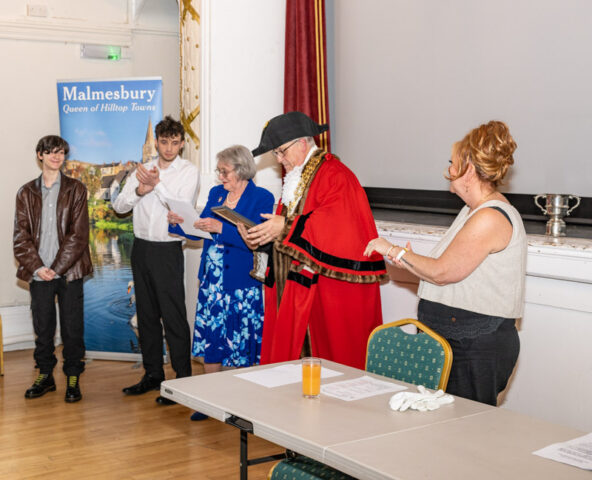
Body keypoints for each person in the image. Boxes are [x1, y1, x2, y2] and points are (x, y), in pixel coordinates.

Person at [364, 120, 526, 406]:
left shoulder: (490, 216)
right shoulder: (472, 211)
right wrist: (408, 261)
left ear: (468, 170)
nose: (448, 170)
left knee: (465, 428)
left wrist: (394, 250)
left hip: (474, 346)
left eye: (452, 163)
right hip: (456, 340)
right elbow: (449, 267)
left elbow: (442, 272)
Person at [243, 111, 387, 370]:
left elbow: (338, 226)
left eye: (281, 151)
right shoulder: (298, 176)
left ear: (302, 143)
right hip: (296, 287)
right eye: (275, 154)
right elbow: (289, 232)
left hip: (327, 292)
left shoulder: (335, 175)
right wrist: (261, 238)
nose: (279, 159)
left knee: (333, 367)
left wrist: (285, 226)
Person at [169, 145, 274, 420]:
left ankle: (243, 404)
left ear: (241, 169)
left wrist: (220, 228)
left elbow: (257, 240)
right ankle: (209, 401)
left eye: (224, 172)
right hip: (212, 283)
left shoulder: (262, 198)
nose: (220, 177)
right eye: (219, 171)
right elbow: (200, 230)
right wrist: (179, 223)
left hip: (242, 284)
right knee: (212, 341)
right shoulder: (217, 193)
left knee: (241, 343)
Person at [112, 116, 199, 405]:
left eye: (175, 142)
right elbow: (119, 206)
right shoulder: (142, 170)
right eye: (164, 142)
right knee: (147, 315)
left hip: (168, 250)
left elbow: (180, 206)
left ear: (182, 143)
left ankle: (183, 381)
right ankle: (152, 375)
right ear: (157, 142)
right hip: (141, 249)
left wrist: (156, 185)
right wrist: (140, 190)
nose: (169, 148)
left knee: (173, 317)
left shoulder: (188, 171)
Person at [13, 135, 93, 403]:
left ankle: (73, 377)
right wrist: (38, 268)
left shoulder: (76, 189)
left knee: (72, 328)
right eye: (50, 152)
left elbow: (79, 235)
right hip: (38, 274)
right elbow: (20, 238)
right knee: (43, 328)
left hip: (69, 272)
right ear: (40, 155)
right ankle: (45, 375)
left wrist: (56, 268)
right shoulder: (25, 193)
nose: (56, 156)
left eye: (60, 152)